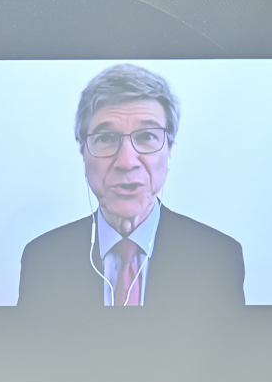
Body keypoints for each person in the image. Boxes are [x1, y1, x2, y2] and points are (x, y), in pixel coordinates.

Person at [18, 64, 245, 309]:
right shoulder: (44, 260)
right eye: (106, 138)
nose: (126, 162)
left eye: (147, 137)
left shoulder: (217, 258)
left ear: (169, 150)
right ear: (83, 153)